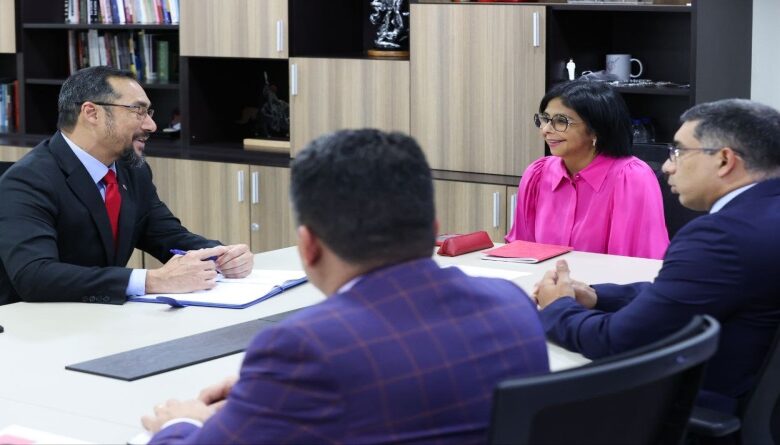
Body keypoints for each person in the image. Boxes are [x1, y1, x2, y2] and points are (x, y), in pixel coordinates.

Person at [141, 129, 550, 444]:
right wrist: (268, 396)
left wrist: (183, 422)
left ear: (308, 246)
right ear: (434, 232)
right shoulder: (512, 304)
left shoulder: (305, 347)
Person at [535, 98, 780, 414]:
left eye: (679, 151)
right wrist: (597, 296)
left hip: (690, 405)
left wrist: (558, 307)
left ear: (724, 160)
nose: (667, 166)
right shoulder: (763, 217)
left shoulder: (721, 237)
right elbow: (684, 294)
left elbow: (616, 341)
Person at [0, 66, 253, 306]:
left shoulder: (132, 171)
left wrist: (221, 255)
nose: (151, 125)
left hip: (104, 318)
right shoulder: (25, 182)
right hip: (36, 325)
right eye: (138, 111)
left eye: (149, 113)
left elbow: (166, 236)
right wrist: (151, 281)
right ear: (92, 113)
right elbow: (34, 275)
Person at [506, 81, 669, 259]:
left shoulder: (631, 178)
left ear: (595, 130)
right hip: (543, 277)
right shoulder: (537, 174)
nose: (545, 130)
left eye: (561, 121)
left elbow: (637, 264)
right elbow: (520, 252)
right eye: (545, 119)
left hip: (606, 278)